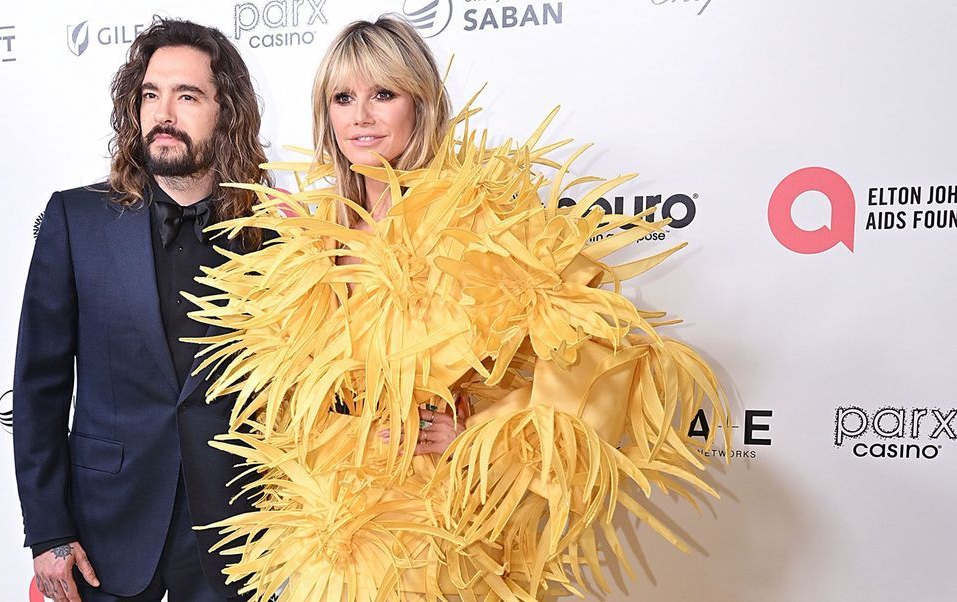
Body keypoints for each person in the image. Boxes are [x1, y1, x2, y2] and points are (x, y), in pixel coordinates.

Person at [190, 16, 730, 602]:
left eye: (383, 94)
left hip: (432, 505)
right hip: (327, 507)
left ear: (420, 106)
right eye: (343, 97)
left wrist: (486, 432)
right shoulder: (307, 234)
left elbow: (595, 338)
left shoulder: (482, 219)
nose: (361, 116)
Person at [12, 18, 269, 602]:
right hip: (106, 535)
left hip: (239, 536)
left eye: (188, 95)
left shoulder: (271, 235)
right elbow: (37, 387)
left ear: (226, 112)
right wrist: (49, 529)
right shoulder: (77, 220)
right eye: (150, 94)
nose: (163, 112)